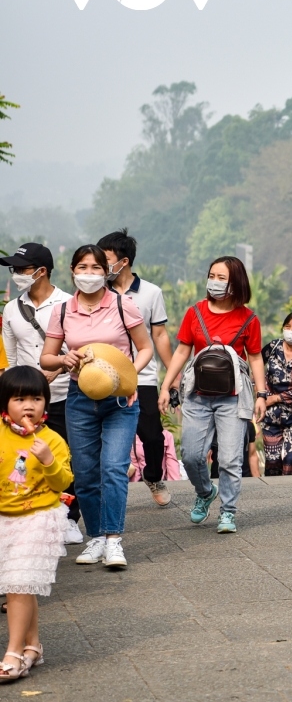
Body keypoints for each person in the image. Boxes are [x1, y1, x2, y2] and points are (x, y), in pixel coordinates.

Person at [41, 245, 152, 570]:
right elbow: (46, 358)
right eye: (82, 267)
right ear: (73, 270)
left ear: (107, 272)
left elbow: (145, 348)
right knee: (86, 473)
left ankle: (114, 540)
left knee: (114, 468)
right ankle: (97, 537)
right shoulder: (63, 311)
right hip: (79, 397)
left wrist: (129, 378)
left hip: (120, 400)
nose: (88, 273)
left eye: (95, 267)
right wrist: (64, 358)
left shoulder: (122, 305)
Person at [158, 256, 267, 534]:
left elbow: (255, 358)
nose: (215, 282)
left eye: (222, 278)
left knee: (230, 459)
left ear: (236, 282)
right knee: (192, 456)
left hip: (233, 396)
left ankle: (228, 511)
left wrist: (262, 394)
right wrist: (166, 385)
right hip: (197, 395)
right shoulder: (195, 312)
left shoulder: (249, 318)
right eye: (212, 276)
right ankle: (205, 491)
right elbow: (182, 350)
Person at [0, 244, 82, 544]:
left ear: (41, 271)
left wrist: (57, 370)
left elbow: (79, 348)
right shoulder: (11, 309)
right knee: (24, 459)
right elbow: (9, 361)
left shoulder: (69, 304)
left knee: (69, 458)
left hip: (65, 393)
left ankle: (71, 518)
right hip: (26, 402)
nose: (17, 274)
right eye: (15, 269)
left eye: (21, 269)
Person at [0, 367, 73, 682]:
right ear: (5, 404)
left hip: (39, 516)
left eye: (36, 398)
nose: (28, 406)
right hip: (5, 517)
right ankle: (34, 647)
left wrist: (47, 460)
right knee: (21, 584)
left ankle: (12, 653)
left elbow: (64, 482)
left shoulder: (52, 440)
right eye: (19, 399)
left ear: (46, 402)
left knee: (18, 584)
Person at [97, 229, 176, 507]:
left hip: (142, 376)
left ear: (125, 261)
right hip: (102, 376)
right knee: (103, 435)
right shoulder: (95, 291)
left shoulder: (151, 293)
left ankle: (153, 475)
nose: (100, 266)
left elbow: (160, 336)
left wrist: (172, 375)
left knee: (152, 434)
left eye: (105, 260)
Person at [259, 312, 292, 476]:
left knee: (291, 462)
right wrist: (261, 393)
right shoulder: (273, 348)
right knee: (272, 465)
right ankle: (272, 498)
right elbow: (256, 367)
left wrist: (276, 398)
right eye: (287, 326)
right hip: (270, 416)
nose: (290, 331)